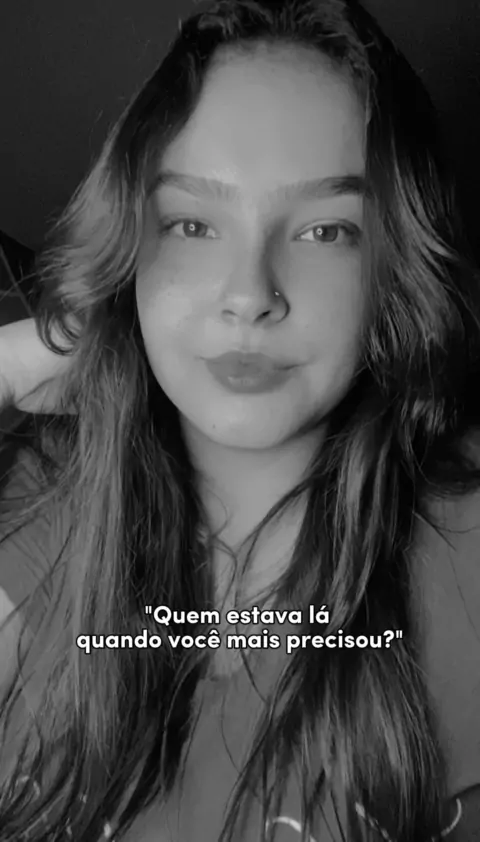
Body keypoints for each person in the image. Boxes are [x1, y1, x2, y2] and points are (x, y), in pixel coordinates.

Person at [1, 0, 480, 839]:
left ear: (396, 271)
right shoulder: (40, 498)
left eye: (326, 230)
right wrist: (20, 360)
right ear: (130, 249)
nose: (251, 294)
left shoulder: (464, 544)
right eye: (192, 223)